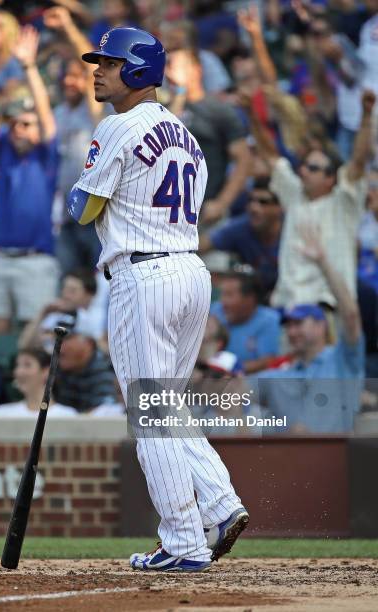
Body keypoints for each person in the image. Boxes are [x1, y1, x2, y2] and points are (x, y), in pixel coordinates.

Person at [67, 27, 248, 572]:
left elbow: (82, 209)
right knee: (164, 407)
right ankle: (220, 503)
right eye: (97, 61)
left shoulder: (118, 126)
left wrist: (83, 183)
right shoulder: (186, 135)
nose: (98, 69)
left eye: (111, 62)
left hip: (143, 275)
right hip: (190, 272)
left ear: (140, 70)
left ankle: (184, 543)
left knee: (150, 416)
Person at [0, 26, 60, 333]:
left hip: (35, 260)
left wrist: (29, 67)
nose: (19, 129)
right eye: (16, 123)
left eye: (27, 123)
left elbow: (46, 117)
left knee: (35, 335)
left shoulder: (45, 154)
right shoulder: (4, 150)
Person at [251, 89, 375, 307]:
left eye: (313, 168)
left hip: (327, 309)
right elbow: (271, 156)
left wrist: (366, 116)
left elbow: (357, 163)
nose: (304, 171)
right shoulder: (295, 195)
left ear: (330, 179)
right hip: (288, 309)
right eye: (305, 166)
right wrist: (250, 113)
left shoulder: (344, 202)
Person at [256, 224, 364, 434]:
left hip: (337, 462)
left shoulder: (342, 361)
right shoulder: (279, 375)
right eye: (288, 325)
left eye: (299, 323)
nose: (292, 331)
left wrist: (324, 263)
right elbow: (235, 390)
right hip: (288, 463)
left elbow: (350, 315)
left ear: (321, 324)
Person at [43, 6, 104, 275]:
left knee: (100, 284)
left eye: (76, 76)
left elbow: (92, 68)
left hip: (95, 214)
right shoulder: (57, 113)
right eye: (66, 76)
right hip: (66, 215)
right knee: (68, 286)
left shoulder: (95, 107)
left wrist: (68, 28)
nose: (70, 81)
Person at [166, 48, 250, 225]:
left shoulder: (219, 110)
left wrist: (222, 203)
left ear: (196, 70)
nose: (168, 72)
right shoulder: (161, 111)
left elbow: (243, 160)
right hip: (169, 216)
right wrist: (178, 97)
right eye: (165, 66)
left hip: (207, 212)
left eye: (173, 66)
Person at [199, 177, 282, 297]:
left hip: (288, 299)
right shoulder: (243, 226)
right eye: (251, 201)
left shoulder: (291, 229)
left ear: (279, 207)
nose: (254, 207)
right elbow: (202, 245)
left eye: (263, 202)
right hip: (254, 299)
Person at [210, 271, 281, 373]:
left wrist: (229, 369)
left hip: (248, 381)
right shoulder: (215, 311)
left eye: (229, 295)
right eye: (222, 294)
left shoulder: (268, 319)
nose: (223, 302)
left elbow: (268, 361)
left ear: (249, 299)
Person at [0, 348, 77, 417]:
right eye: (17, 365)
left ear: (46, 372)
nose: (18, 372)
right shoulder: (2, 413)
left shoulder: (67, 415)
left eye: (27, 365)